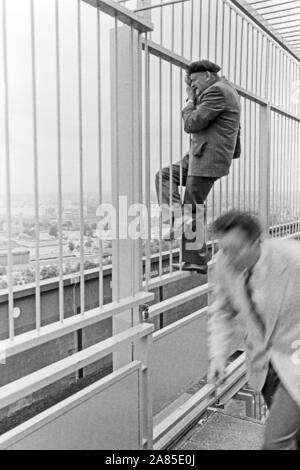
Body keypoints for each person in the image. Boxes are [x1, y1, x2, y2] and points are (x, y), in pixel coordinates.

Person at [207, 210, 300, 450]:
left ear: (256, 242)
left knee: (275, 442)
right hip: (264, 364)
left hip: (296, 360)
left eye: (235, 250)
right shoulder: (224, 262)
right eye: (223, 249)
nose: (228, 257)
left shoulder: (292, 259)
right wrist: (218, 357)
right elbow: (222, 311)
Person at [155, 59, 241, 274]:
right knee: (165, 176)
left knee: (192, 206)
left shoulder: (217, 92)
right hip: (199, 156)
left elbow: (191, 123)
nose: (192, 86)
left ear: (207, 76)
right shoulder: (225, 90)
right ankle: (176, 221)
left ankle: (196, 260)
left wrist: (190, 101)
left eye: (194, 81)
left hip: (207, 158)